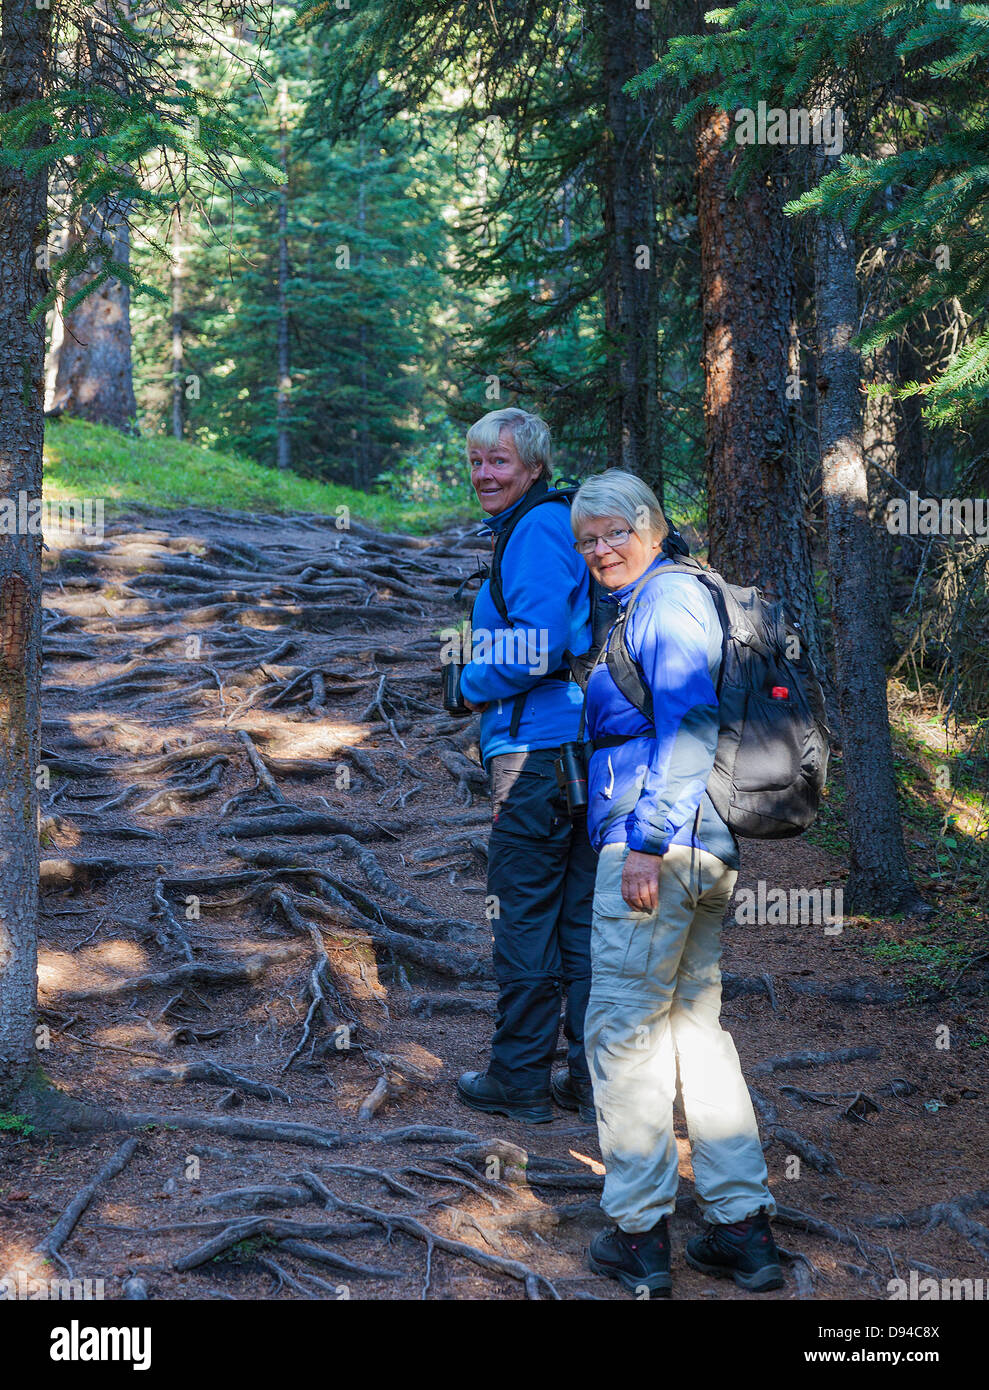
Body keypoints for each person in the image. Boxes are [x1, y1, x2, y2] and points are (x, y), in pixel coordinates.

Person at [570, 469, 783, 1297]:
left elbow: (687, 723)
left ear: (651, 526)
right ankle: (739, 1229)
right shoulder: (675, 596)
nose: (600, 550)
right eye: (587, 541)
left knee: (621, 1036)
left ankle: (637, 1236)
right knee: (694, 1034)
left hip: (659, 852)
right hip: (705, 853)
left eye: (613, 532)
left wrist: (645, 843)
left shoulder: (664, 603)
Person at [452, 407, 597, 1124]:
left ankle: (518, 1079)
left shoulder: (538, 527)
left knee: (525, 917)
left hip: (537, 756)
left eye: (499, 462)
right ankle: (590, 1080)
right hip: (579, 753)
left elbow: (536, 646)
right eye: (477, 460)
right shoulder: (548, 523)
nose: (484, 474)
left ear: (534, 468)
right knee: (576, 923)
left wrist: (465, 683)